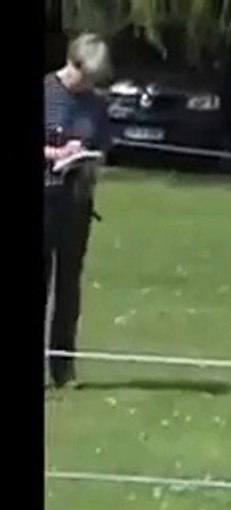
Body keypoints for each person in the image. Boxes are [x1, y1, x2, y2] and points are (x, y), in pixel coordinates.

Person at [44, 33, 113, 388]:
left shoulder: (95, 105)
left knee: (69, 286)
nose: (86, 85)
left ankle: (63, 366)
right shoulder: (46, 92)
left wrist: (86, 154)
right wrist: (53, 154)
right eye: (84, 77)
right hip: (45, 197)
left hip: (76, 203)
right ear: (73, 63)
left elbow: (103, 146)